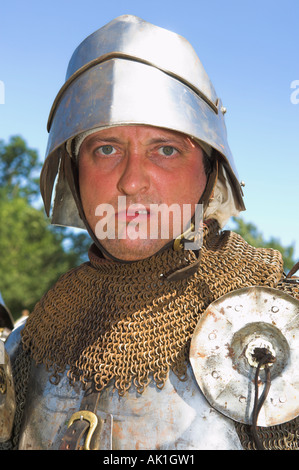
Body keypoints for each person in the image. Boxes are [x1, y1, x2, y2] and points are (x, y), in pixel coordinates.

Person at [1, 15, 299, 451]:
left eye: (165, 149)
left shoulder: (282, 326)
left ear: (210, 171)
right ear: (74, 172)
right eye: (106, 148)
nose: (132, 181)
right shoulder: (29, 343)